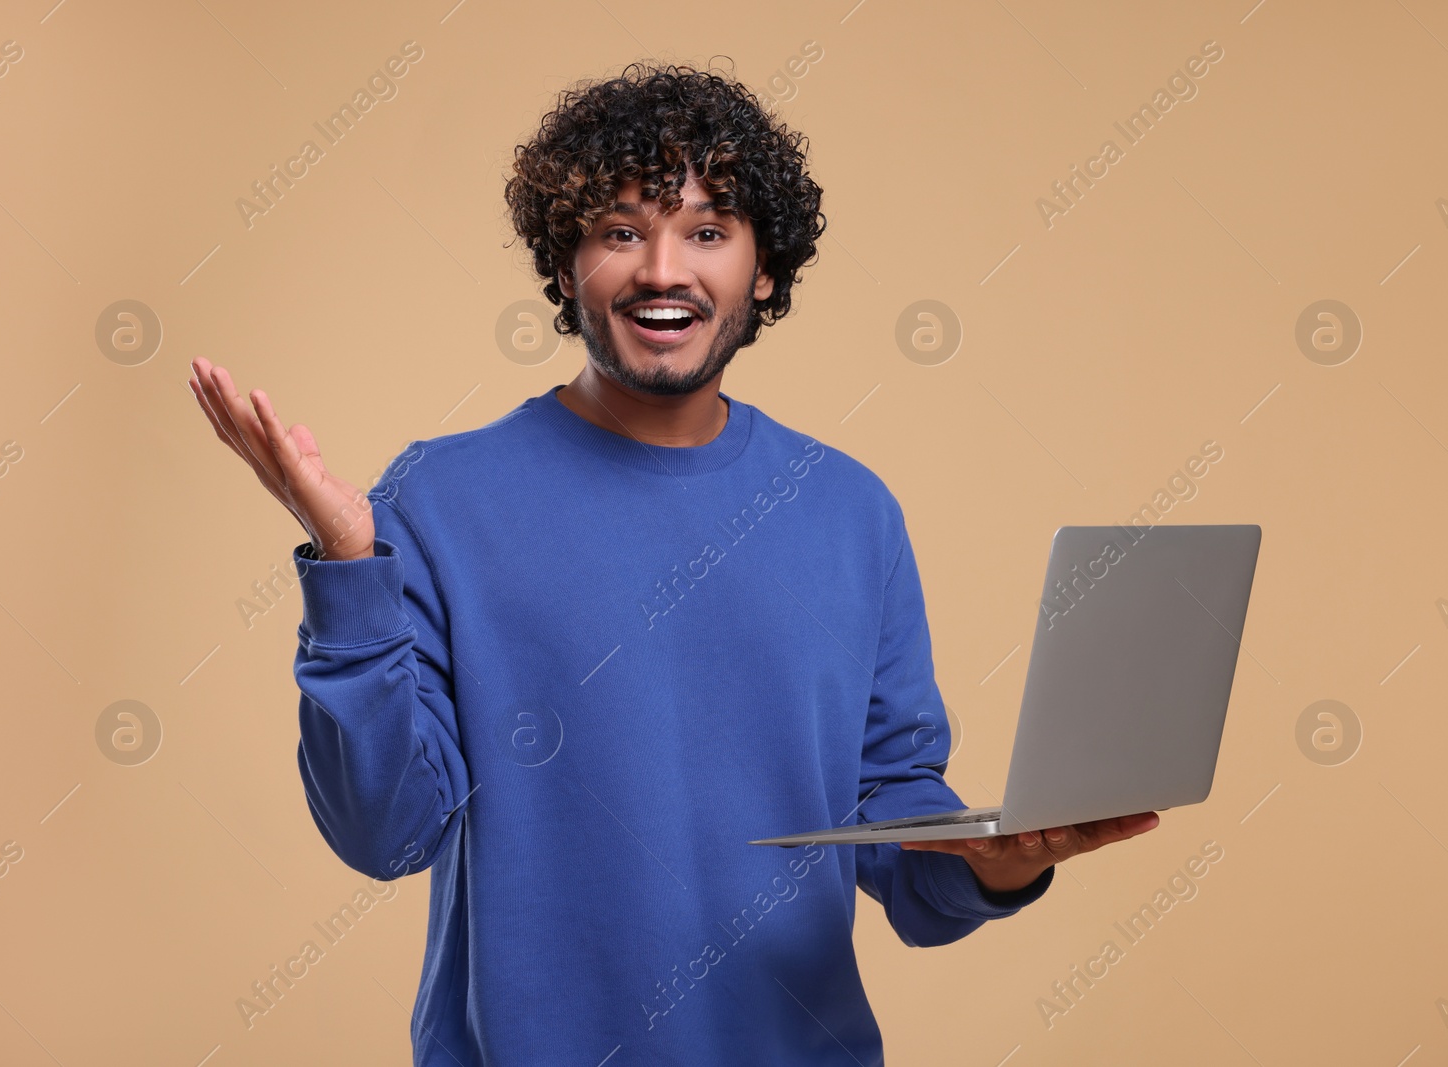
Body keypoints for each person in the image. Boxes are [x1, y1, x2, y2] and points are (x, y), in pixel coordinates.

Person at [189, 61, 1157, 1067]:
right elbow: (383, 832)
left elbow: (895, 825)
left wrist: (996, 860)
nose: (662, 269)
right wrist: (351, 572)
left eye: (706, 229)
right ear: (566, 269)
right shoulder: (438, 501)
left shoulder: (848, 509)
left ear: (764, 268)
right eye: (619, 231)